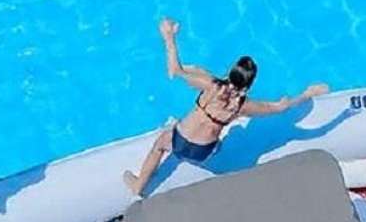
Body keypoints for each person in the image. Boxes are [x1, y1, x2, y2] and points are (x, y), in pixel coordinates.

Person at [123, 17, 328, 195]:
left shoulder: (211, 86)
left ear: (231, 72)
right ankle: (214, 147)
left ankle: (138, 185)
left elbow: (175, 70)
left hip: (178, 143)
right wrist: (307, 94)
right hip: (203, 153)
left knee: (159, 145)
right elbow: (279, 107)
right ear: (248, 85)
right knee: (221, 136)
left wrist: (169, 36)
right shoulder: (242, 106)